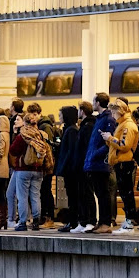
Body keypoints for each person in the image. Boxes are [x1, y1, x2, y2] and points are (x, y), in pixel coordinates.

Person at [101, 100, 139, 233]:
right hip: (120, 162)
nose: (112, 114)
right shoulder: (122, 124)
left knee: (126, 193)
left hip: (125, 163)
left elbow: (124, 145)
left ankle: (129, 221)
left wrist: (110, 138)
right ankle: (128, 220)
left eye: (113, 111)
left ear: (119, 111)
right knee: (124, 192)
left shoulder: (127, 125)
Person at [83, 93, 117, 234]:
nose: (93, 103)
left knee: (103, 193)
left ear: (98, 103)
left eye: (93, 101)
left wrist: (95, 154)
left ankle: (105, 222)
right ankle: (101, 221)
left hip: (100, 163)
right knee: (99, 193)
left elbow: (108, 142)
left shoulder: (108, 119)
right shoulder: (100, 119)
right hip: (94, 162)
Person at [9, 112, 46, 231]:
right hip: (38, 169)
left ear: (25, 123)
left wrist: (15, 135)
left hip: (23, 169)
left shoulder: (22, 136)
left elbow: (13, 151)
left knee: (22, 196)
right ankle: (36, 221)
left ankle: (23, 222)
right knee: (35, 196)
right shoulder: (40, 135)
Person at [70, 101, 97, 233]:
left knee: (86, 193)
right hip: (84, 164)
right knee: (84, 193)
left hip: (84, 165)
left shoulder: (87, 127)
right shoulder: (88, 125)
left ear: (83, 111)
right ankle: (85, 220)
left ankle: (89, 221)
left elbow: (84, 148)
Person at [55, 106, 79, 232]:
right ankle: (73, 221)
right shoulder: (70, 130)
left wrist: (63, 166)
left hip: (70, 170)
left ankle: (73, 221)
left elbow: (70, 151)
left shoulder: (71, 131)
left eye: (61, 114)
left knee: (72, 195)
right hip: (69, 169)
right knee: (71, 195)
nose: (59, 116)